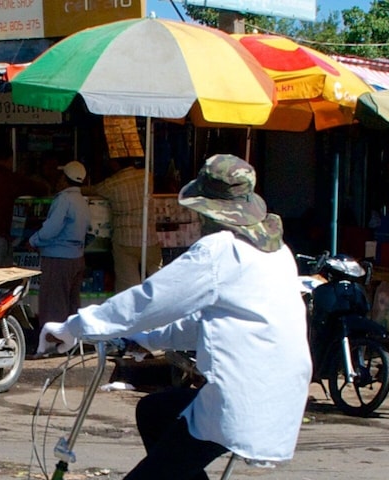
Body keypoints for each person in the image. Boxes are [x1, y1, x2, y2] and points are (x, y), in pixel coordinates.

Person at [35, 154, 307, 479]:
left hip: (238, 400)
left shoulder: (221, 250)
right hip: (277, 398)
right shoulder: (275, 251)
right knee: (155, 411)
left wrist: (75, 327)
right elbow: (204, 325)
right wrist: (146, 340)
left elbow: (149, 301)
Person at [29, 161, 90, 326]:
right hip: (77, 258)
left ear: (64, 179)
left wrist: (33, 240)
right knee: (71, 305)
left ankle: (52, 340)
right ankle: (70, 339)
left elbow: (51, 229)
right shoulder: (82, 201)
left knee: (53, 308)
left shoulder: (64, 199)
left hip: (58, 259)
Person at [92, 156, 160, 291]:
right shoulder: (147, 176)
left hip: (125, 241)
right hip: (149, 238)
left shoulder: (112, 184)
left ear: (115, 164)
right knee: (158, 280)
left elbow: (94, 190)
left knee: (128, 286)